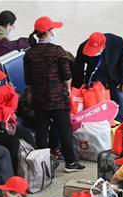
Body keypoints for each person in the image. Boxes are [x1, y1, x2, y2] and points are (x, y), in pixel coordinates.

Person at [24, 16, 85, 173]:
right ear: (49, 31)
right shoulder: (58, 51)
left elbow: (28, 78)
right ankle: (70, 163)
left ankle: (44, 164)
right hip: (57, 98)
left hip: (39, 98)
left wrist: (30, 93)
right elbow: (66, 75)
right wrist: (68, 89)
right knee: (65, 129)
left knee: (42, 130)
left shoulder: (30, 53)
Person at [71, 32, 123, 121]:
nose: (93, 53)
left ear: (103, 46)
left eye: (95, 51)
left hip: (115, 80)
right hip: (96, 81)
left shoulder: (117, 42)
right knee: (97, 101)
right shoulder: (83, 47)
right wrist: (77, 88)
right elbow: (78, 68)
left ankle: (120, 122)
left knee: (120, 96)